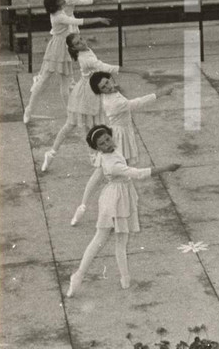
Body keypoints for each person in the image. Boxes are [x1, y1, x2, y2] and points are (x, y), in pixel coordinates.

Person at [65, 125, 180, 296]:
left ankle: (125, 277)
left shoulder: (108, 153)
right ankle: (78, 276)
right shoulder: (112, 164)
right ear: (98, 148)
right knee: (100, 240)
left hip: (123, 197)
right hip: (115, 200)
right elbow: (138, 173)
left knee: (121, 240)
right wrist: (166, 168)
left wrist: (83, 202)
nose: (107, 144)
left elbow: (94, 179)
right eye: (102, 144)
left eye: (108, 139)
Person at [70, 72, 173, 226]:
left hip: (122, 134)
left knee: (114, 176)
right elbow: (137, 103)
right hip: (118, 138)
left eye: (107, 82)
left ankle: (97, 208)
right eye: (103, 87)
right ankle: (87, 208)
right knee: (108, 176)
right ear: (101, 91)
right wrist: (160, 93)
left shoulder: (112, 93)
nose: (108, 86)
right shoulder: (113, 102)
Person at [24, 0, 110, 123]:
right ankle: (29, 110)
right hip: (57, 48)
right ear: (56, 4)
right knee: (44, 80)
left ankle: (71, 113)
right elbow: (79, 21)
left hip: (65, 47)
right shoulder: (60, 16)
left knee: (65, 83)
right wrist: (99, 18)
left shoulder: (61, 10)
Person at [42, 34, 121, 171]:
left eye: (81, 39)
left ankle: (96, 156)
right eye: (78, 43)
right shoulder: (85, 58)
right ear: (73, 48)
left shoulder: (86, 50)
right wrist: (124, 69)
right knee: (73, 125)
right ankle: (52, 153)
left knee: (94, 125)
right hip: (85, 95)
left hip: (92, 91)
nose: (82, 43)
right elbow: (103, 67)